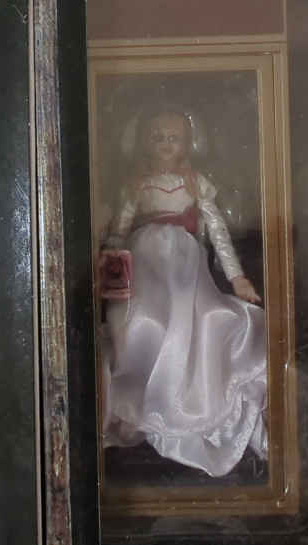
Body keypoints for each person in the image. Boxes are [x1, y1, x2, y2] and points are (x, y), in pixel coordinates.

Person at [100, 108, 268, 477]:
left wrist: (237, 278)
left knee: (191, 324)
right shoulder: (137, 185)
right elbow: (119, 230)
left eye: (173, 138)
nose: (165, 144)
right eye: (158, 137)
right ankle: (135, 402)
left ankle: (179, 400)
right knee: (141, 323)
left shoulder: (196, 183)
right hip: (144, 259)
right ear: (145, 142)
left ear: (187, 144)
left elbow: (218, 232)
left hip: (184, 262)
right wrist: (110, 272)